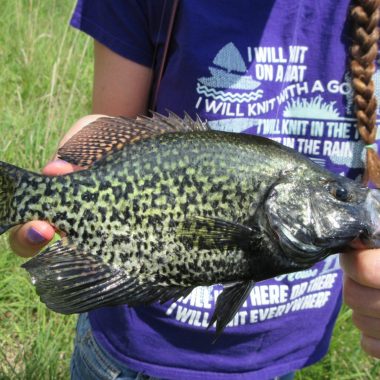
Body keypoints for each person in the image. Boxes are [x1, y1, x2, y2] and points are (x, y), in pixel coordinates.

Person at [9, 1, 380, 379]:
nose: (352, 203)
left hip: (277, 358)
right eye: (337, 196)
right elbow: (114, 125)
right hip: (130, 351)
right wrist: (70, 185)